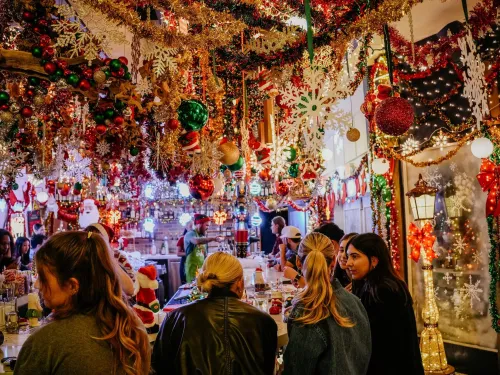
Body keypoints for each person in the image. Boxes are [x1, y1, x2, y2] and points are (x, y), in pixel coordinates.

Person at [14, 231, 150, 375]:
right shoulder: (133, 329)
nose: (37, 285)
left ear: (72, 286)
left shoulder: (45, 343)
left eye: (43, 278)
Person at [153, 252, 277, 374]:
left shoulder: (175, 318)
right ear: (239, 283)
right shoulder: (263, 320)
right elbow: (268, 368)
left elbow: (159, 367)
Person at [283, 232, 371, 375]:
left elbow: (296, 369)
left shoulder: (306, 311)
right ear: (333, 262)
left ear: (298, 263)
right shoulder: (355, 302)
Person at [346, 233, 424, 375]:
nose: (348, 263)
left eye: (355, 256)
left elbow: (376, 343)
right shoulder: (371, 284)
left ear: (374, 260)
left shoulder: (383, 291)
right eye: (348, 256)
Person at [85, 223, 135, 297]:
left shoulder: (118, 256)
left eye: (98, 239)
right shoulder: (82, 256)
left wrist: (110, 258)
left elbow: (130, 289)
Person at [184, 214, 222, 283]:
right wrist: (213, 238)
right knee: (193, 291)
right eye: (206, 225)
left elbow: (205, 255)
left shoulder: (202, 237)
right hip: (192, 270)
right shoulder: (190, 234)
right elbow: (196, 241)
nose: (207, 228)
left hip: (201, 270)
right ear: (200, 224)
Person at [176, 220, 194, 285]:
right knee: (186, 285)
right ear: (186, 228)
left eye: (193, 226)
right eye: (190, 226)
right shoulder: (182, 239)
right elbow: (178, 253)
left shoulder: (198, 238)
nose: (192, 228)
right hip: (185, 264)